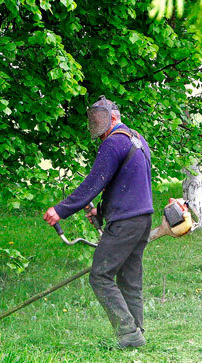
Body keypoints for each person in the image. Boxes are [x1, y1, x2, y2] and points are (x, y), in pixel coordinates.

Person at [43, 96, 153, 349]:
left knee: (100, 276)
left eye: (102, 130)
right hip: (142, 218)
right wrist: (101, 212)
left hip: (126, 222)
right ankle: (136, 331)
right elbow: (126, 183)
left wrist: (61, 209)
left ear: (113, 119)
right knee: (129, 278)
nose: (102, 138)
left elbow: (95, 182)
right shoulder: (137, 139)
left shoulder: (114, 142)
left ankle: (128, 332)